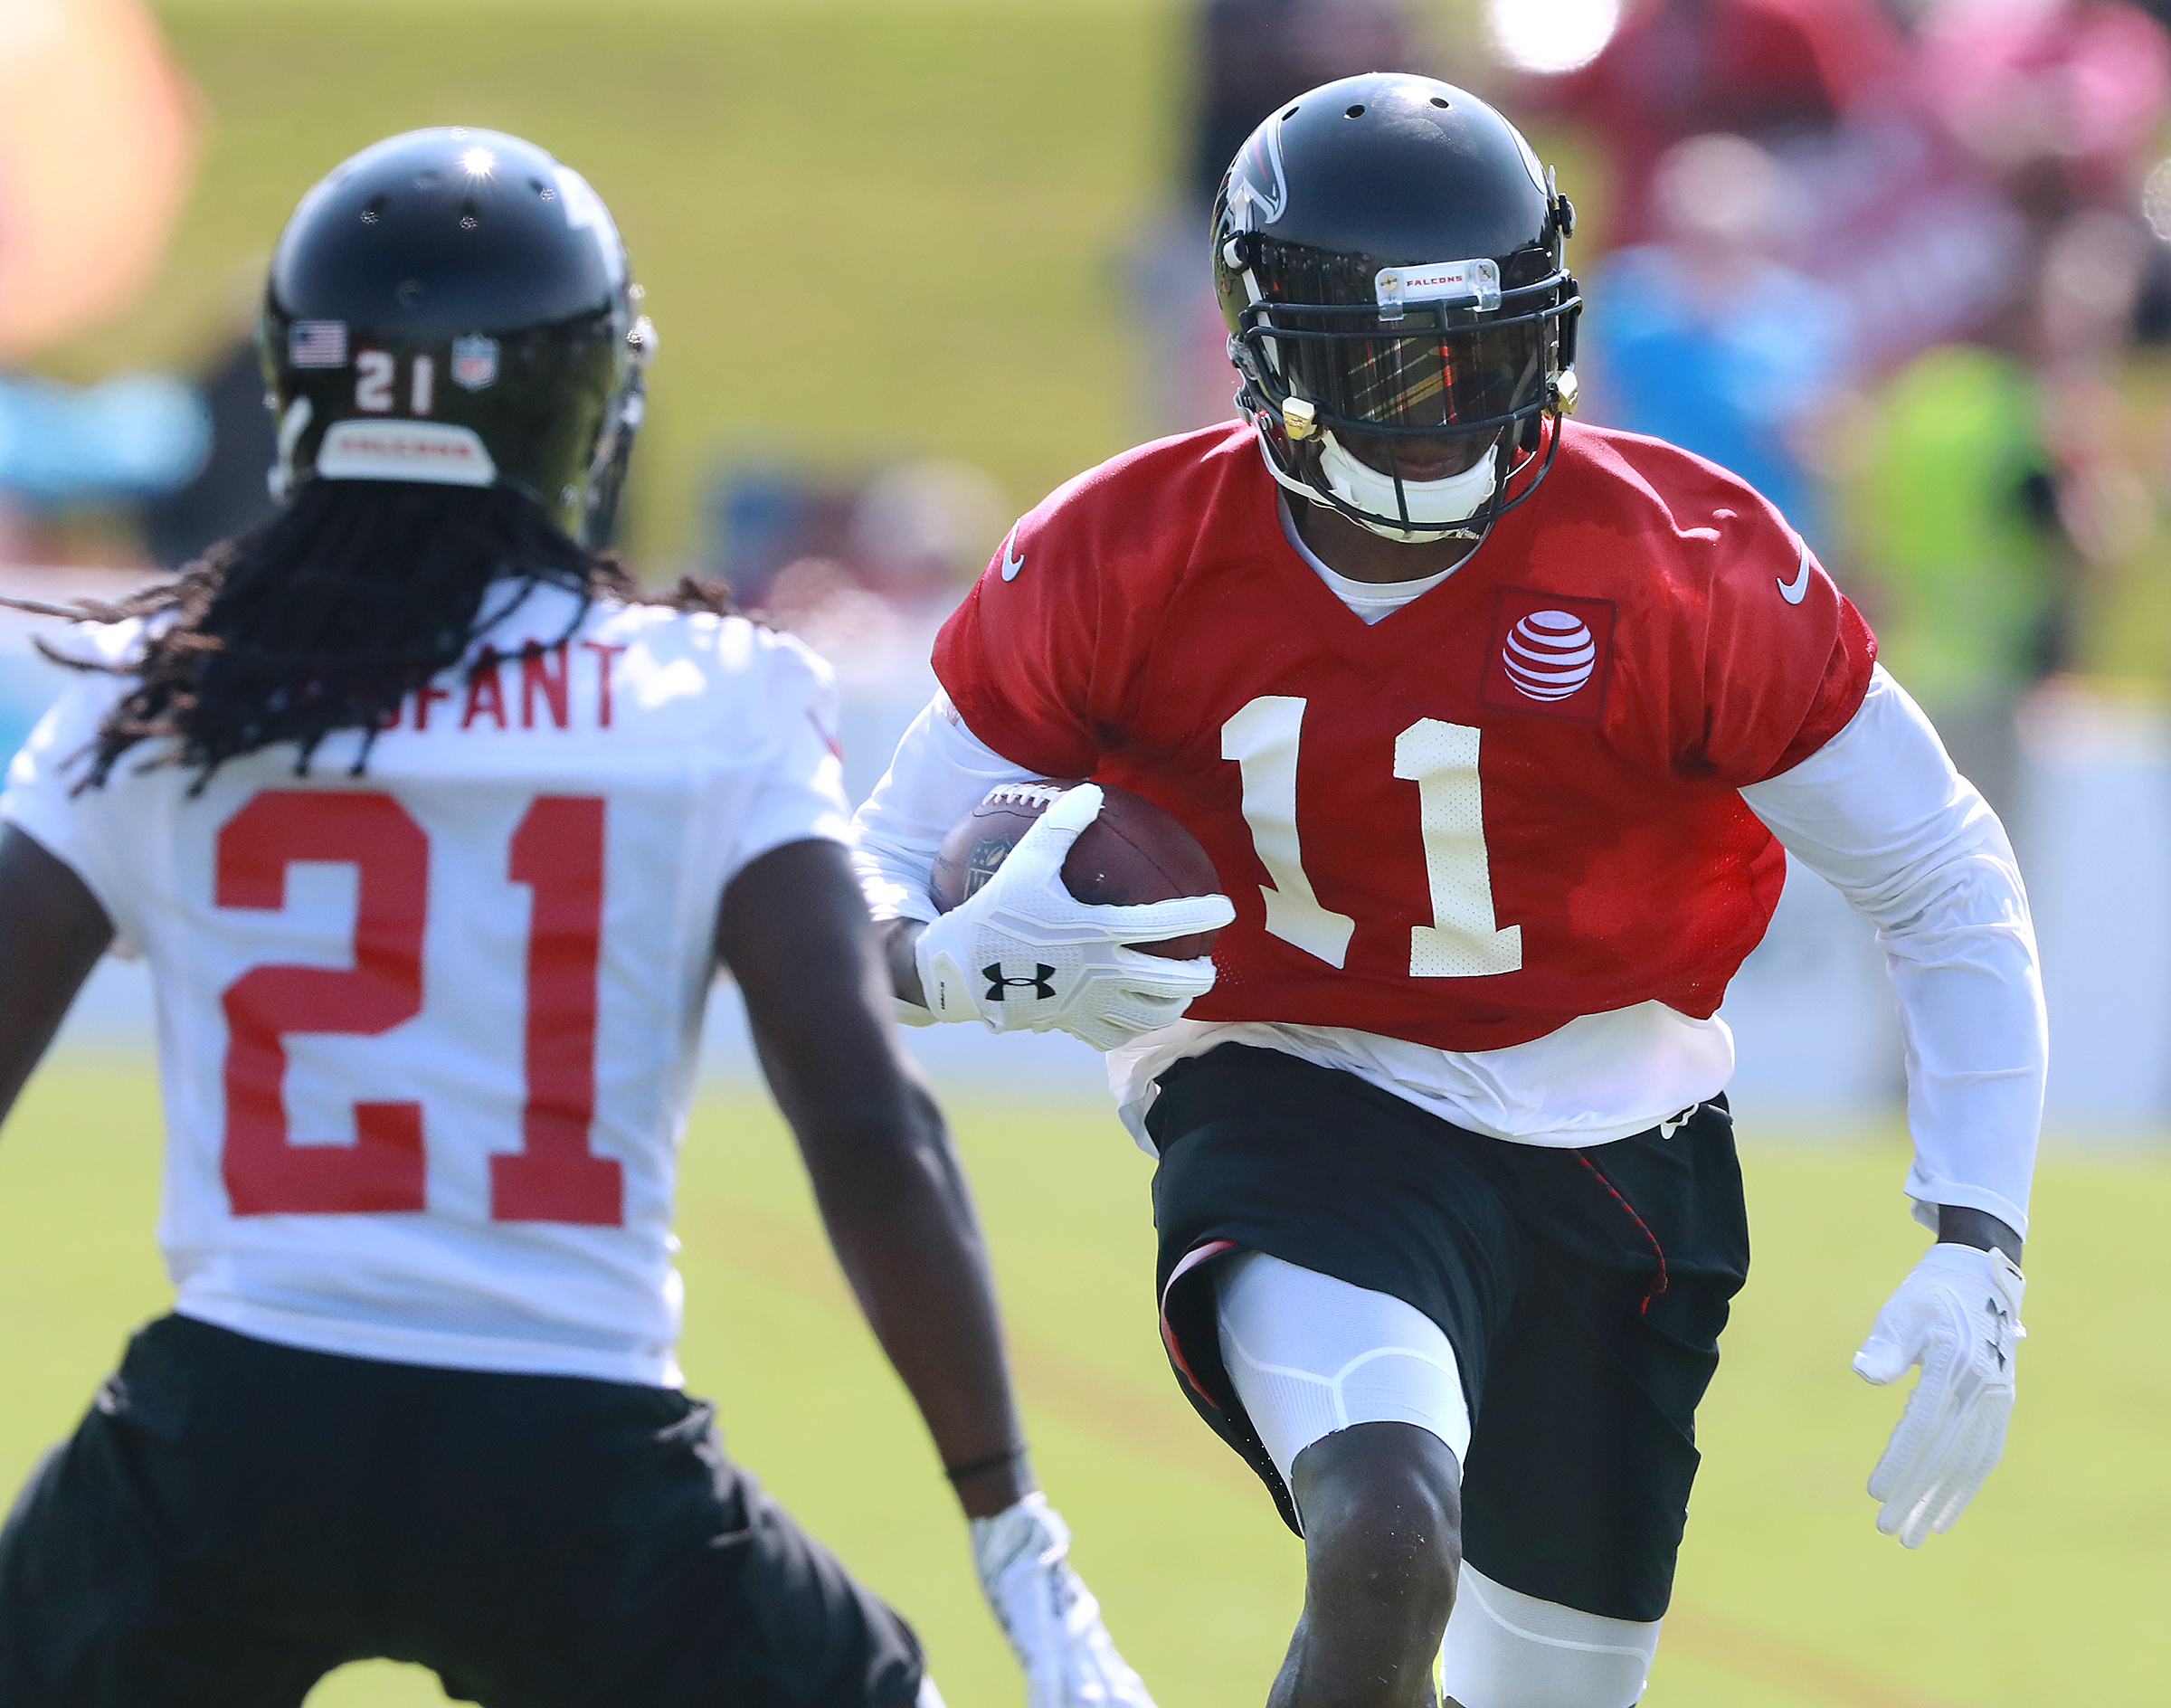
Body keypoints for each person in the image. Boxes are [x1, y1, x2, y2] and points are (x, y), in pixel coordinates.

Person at [853, 76, 2043, 1708]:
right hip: (1294, 1091)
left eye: (1478, 358)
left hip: (1622, 1142)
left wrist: (1980, 1234)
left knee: (1541, 1683)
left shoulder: (1683, 562)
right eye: (1382, 366)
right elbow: (859, 867)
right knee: (1386, 1533)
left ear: (1549, 335)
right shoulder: (1121, 553)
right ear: (1267, 353)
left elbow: (1941, 873)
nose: (1437, 414)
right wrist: (940, 963)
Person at [0, 128, 1152, 1708]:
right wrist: (1012, 1526)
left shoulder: (161, 691)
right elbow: (866, 1124)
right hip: (571, 1450)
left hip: (232, 1433)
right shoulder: (707, 694)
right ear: (580, 402)